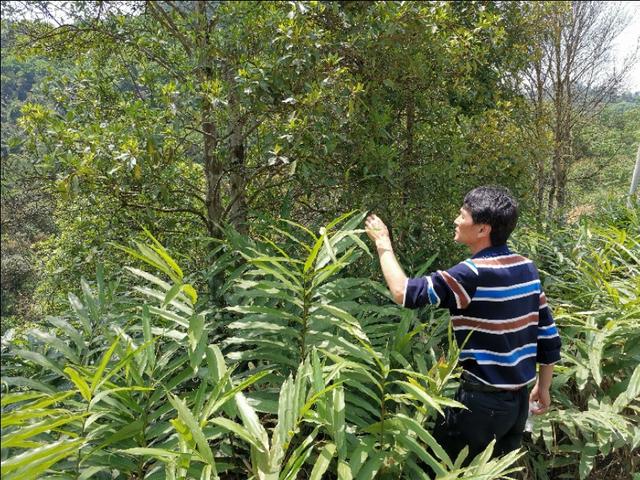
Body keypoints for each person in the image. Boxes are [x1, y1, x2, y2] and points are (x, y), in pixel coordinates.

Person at [364, 185, 561, 464]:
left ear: (483, 229)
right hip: (517, 407)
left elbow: (403, 292)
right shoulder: (526, 267)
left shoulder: (471, 274)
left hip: (480, 406)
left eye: (462, 215)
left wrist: (383, 243)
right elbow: (547, 333)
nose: (456, 220)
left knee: (446, 470)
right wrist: (544, 386)